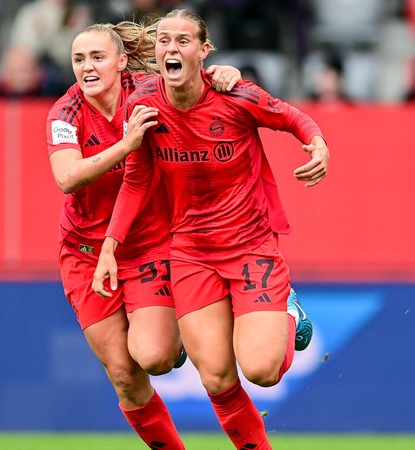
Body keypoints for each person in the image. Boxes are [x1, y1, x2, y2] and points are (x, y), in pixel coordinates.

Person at [93, 9, 328, 449]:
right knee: (217, 378)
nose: (171, 48)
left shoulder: (235, 95)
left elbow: (293, 118)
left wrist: (318, 145)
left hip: (250, 246)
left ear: (204, 51)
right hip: (190, 253)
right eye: (164, 40)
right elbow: (137, 180)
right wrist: (110, 245)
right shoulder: (142, 105)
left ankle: (288, 310)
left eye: (182, 40)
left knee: (262, 371)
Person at [46, 21, 242, 450]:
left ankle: (260, 309)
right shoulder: (65, 113)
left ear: (121, 62)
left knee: (155, 358)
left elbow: (196, 80)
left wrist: (225, 74)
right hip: (85, 252)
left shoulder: (149, 90)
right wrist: (126, 144)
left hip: (148, 244)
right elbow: (66, 178)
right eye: (78, 59)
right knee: (124, 377)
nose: (87, 67)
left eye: (97, 57)